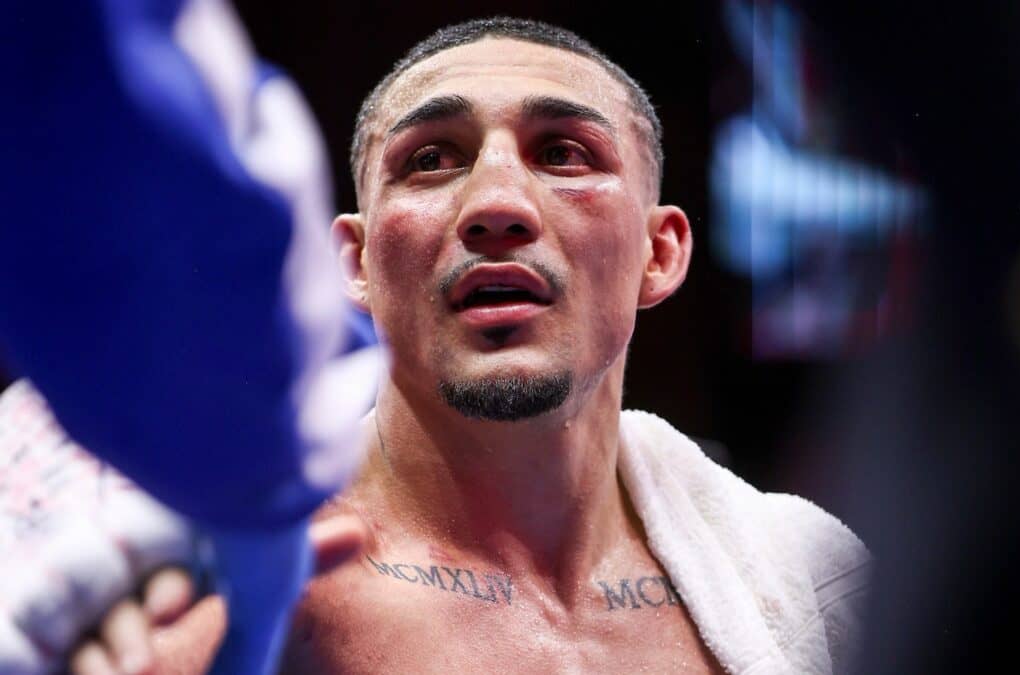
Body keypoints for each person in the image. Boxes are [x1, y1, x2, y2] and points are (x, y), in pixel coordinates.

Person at [69, 17, 869, 675]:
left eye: (563, 152)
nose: (495, 204)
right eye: (430, 160)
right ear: (355, 263)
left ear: (659, 254)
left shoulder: (815, 583)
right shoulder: (219, 594)